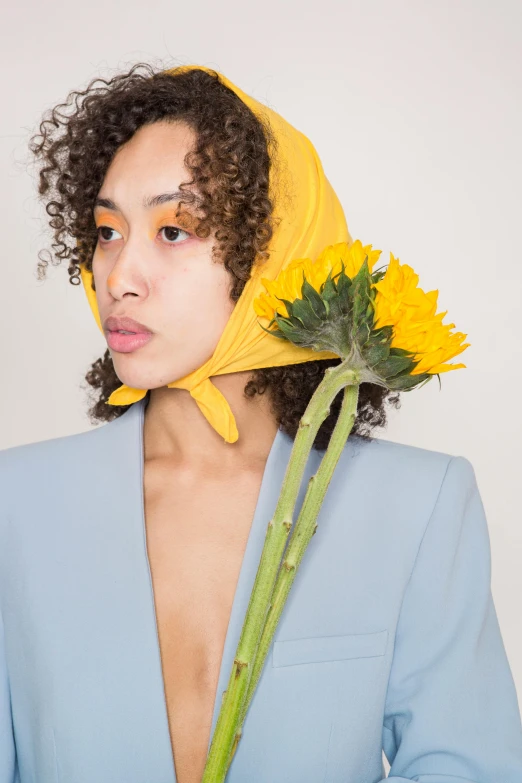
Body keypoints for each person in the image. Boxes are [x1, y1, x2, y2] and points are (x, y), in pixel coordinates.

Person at [0, 63, 521, 783]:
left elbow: (471, 768)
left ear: (275, 251)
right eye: (107, 230)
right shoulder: (15, 504)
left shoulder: (418, 506)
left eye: (174, 229)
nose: (119, 274)